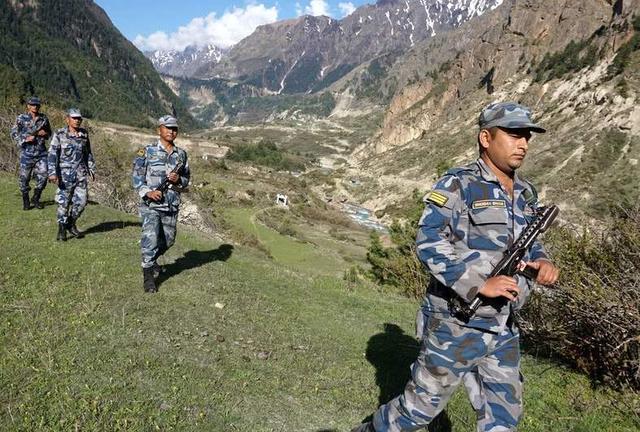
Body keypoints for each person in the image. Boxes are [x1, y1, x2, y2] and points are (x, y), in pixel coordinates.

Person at [352, 101, 560, 432]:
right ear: (486, 138)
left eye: (527, 136)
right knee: (417, 411)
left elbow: (529, 239)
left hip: (504, 324)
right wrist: (476, 284)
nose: (522, 143)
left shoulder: (525, 192)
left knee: (504, 418)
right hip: (456, 320)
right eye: (513, 134)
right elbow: (428, 240)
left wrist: (543, 261)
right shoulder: (457, 183)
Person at [132, 115, 190, 293]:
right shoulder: (146, 151)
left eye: (174, 129)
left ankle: (150, 260)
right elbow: (136, 177)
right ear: (159, 130)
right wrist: (147, 192)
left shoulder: (181, 154)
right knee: (150, 239)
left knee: (169, 240)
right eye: (168, 128)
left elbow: (186, 180)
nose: (171, 131)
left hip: (171, 205)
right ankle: (148, 277)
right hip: (151, 205)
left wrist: (179, 178)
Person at [47, 108, 96, 241]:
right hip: (64, 176)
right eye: (74, 118)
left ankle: (71, 223)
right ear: (67, 119)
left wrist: (91, 168)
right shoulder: (59, 134)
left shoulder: (84, 134)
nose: (77, 120)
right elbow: (52, 155)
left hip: (81, 174)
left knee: (82, 202)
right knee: (64, 203)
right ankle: (61, 230)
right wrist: (52, 173)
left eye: (79, 118)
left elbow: (88, 153)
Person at [10, 96, 52, 210]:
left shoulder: (44, 118)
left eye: (37, 105)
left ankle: (36, 198)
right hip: (27, 153)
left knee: (44, 176)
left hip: (41, 153)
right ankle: (26, 200)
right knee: (24, 179)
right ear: (28, 106)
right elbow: (13, 133)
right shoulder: (21, 118)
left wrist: (45, 134)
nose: (35, 107)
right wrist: (25, 139)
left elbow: (49, 134)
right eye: (33, 105)